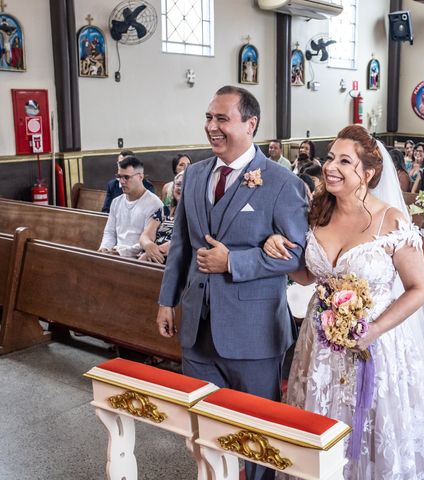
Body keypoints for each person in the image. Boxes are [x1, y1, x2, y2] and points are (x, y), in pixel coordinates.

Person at [263, 125, 424, 479]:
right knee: (321, 417)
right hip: (320, 345)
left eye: (344, 161)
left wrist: (374, 329)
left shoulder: (391, 220)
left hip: (376, 346)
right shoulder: (316, 212)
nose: (331, 166)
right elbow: (308, 275)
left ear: (368, 173)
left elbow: (417, 289)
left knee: (375, 428)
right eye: (331, 157)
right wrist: (278, 249)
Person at [155, 85, 308, 480]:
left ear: (250, 124)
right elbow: (180, 246)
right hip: (197, 327)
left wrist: (233, 262)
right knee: (205, 428)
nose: (211, 127)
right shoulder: (194, 176)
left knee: (257, 435)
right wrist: (166, 300)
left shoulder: (279, 182)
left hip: (253, 332)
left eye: (222, 119)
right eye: (209, 117)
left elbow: (295, 256)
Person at [98, 156, 163, 257]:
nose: (122, 181)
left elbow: (147, 241)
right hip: (115, 255)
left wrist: (120, 253)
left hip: (138, 260)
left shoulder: (155, 204)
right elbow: (110, 232)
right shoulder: (116, 202)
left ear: (140, 177)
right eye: (119, 176)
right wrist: (104, 248)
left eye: (126, 177)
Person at [139, 171, 184, 263]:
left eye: (186, 184)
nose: (181, 188)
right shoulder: (164, 210)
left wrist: (149, 255)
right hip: (150, 255)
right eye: (178, 184)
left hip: (172, 259)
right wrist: (148, 245)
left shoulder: (195, 213)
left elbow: (179, 241)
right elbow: (145, 235)